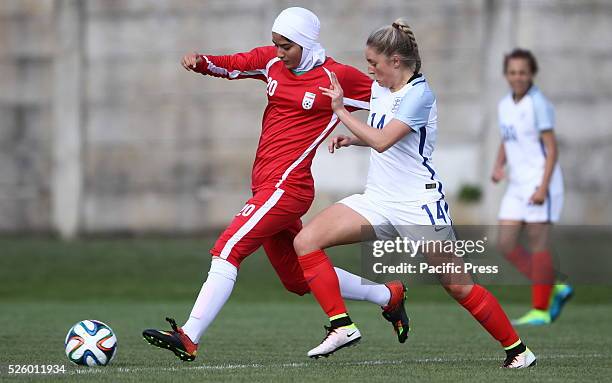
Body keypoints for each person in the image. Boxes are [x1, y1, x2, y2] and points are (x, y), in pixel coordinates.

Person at [142, 7, 409, 362]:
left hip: (288, 188)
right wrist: (202, 61)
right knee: (298, 279)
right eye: (276, 44)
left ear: (306, 43)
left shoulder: (336, 76)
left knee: (227, 249)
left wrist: (406, 116)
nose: (279, 52)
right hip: (265, 187)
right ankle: (388, 296)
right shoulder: (271, 62)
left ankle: (189, 336)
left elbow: (393, 95)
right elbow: (235, 64)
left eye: (286, 46)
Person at [293, 19, 536, 368]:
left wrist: (341, 111)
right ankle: (341, 325)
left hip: (418, 205)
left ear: (395, 61)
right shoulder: (382, 87)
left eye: (373, 63)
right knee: (305, 242)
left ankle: (518, 351)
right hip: (377, 199)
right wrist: (352, 138)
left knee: (458, 286)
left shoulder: (419, 95)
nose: (369, 70)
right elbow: (379, 134)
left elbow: (383, 140)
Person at [492, 48, 573, 326]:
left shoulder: (538, 104)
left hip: (541, 183)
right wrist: (498, 164)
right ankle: (555, 285)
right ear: (506, 75)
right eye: (513, 72)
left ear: (531, 74)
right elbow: (507, 137)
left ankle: (540, 309)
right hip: (516, 185)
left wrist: (542, 188)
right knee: (505, 243)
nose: (518, 77)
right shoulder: (504, 104)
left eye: (523, 72)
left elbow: (552, 150)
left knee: (538, 243)